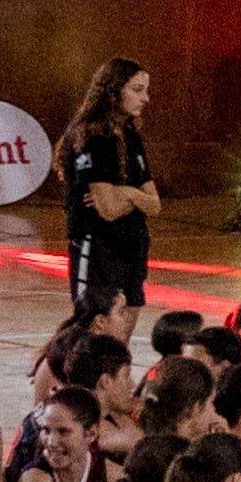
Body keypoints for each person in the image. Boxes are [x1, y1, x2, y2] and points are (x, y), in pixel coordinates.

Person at [60, 59, 158, 324]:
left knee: (125, 328)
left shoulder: (130, 134)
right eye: (137, 90)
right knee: (93, 331)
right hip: (99, 247)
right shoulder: (91, 137)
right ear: (113, 91)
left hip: (134, 243)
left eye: (146, 90)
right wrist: (134, 197)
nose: (145, 98)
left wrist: (125, 192)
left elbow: (155, 204)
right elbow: (109, 210)